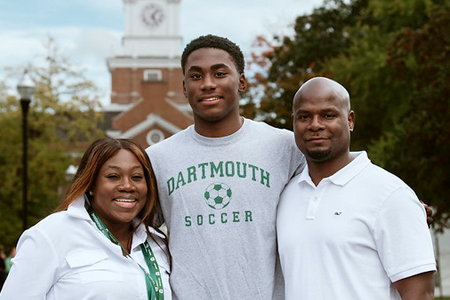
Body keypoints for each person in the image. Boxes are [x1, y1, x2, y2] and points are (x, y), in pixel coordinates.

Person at [146, 34, 305, 299]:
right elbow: (136, 235)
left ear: (241, 81)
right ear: (184, 87)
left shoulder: (285, 147)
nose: (207, 84)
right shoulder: (158, 158)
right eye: (196, 76)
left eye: (219, 73)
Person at [276, 77, 436, 299]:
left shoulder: (391, 195)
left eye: (328, 115)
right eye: (304, 117)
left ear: (350, 120)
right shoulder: (285, 195)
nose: (315, 125)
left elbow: (420, 295)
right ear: (294, 122)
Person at [0, 138, 171, 300]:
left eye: (137, 177)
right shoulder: (51, 235)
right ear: (91, 185)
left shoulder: (157, 243)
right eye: (113, 176)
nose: (127, 186)